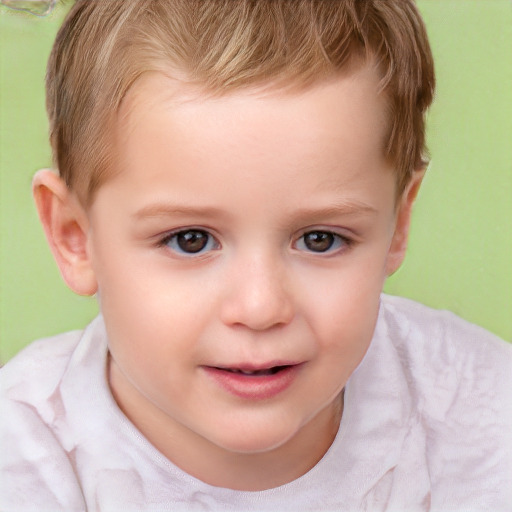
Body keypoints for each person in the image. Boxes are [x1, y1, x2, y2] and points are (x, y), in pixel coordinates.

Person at [1, 1, 510, 510]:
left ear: (397, 224)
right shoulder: (23, 457)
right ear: (75, 236)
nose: (261, 308)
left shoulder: (481, 418)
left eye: (320, 239)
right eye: (191, 240)